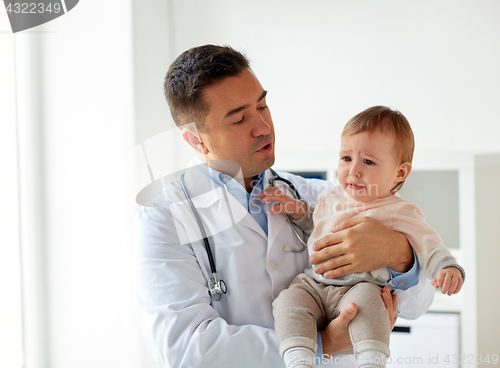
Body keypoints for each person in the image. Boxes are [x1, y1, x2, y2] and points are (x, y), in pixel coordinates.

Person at [134, 45, 434, 368]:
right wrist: (323, 344)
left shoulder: (324, 198)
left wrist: (401, 256)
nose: (263, 126)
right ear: (196, 140)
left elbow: (416, 305)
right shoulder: (162, 219)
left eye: (263, 105)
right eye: (239, 119)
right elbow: (187, 349)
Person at [260, 106, 465, 368]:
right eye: (346, 158)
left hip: (360, 287)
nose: (353, 171)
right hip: (315, 283)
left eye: (368, 162)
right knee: (288, 301)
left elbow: (429, 245)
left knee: (370, 306)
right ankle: (300, 360)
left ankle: (371, 361)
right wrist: (295, 209)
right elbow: (316, 221)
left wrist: (447, 267)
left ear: (400, 173)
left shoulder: (400, 211)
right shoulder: (331, 196)